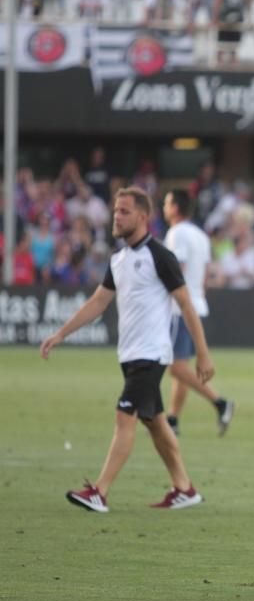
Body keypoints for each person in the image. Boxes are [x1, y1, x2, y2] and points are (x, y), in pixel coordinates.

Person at [40, 186, 214, 513]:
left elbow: (186, 304)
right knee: (156, 423)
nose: (116, 217)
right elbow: (98, 302)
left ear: (143, 217)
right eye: (116, 210)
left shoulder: (161, 256)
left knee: (125, 416)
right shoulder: (118, 260)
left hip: (152, 354)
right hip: (130, 355)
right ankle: (184, 487)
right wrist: (61, 333)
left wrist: (202, 352)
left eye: (124, 211)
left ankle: (99, 492)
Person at [163, 189, 235, 437]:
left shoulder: (176, 233)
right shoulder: (201, 235)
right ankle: (172, 418)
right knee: (181, 365)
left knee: (175, 367)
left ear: (175, 207)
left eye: (166, 202)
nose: (164, 206)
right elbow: (205, 274)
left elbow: (176, 269)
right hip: (198, 305)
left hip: (180, 307)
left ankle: (220, 402)